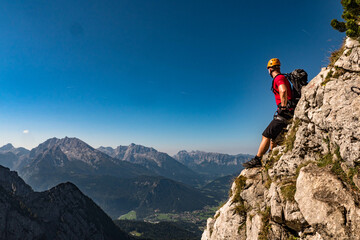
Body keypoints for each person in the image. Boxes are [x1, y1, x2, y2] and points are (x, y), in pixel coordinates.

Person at [242, 58, 294, 168]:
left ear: (270, 69)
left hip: (285, 112)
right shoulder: (283, 77)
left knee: (266, 134)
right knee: (273, 137)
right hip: (289, 111)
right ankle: (271, 156)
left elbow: (283, 90)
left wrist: (283, 107)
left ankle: (258, 159)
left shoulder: (278, 78)